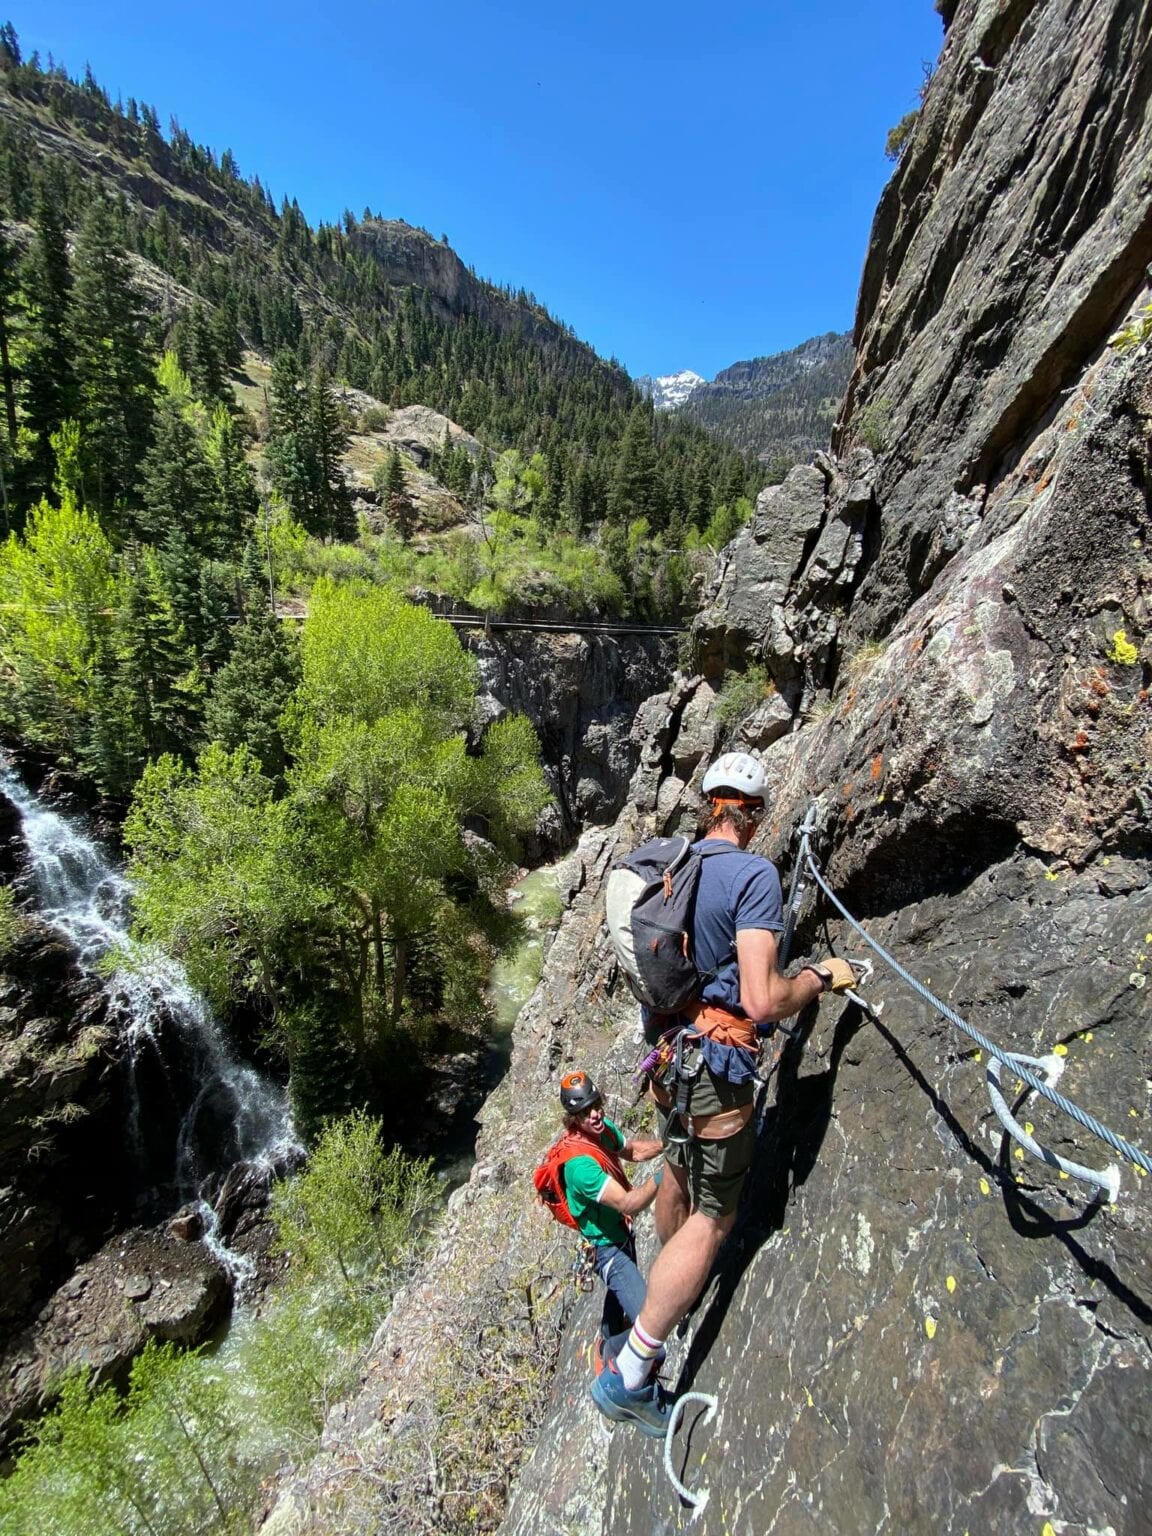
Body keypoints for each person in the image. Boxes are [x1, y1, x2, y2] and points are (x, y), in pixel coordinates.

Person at [591, 751, 861, 1436]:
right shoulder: (753, 876)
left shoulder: (675, 866)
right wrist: (821, 978)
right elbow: (764, 1000)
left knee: (678, 1170)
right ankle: (633, 1372)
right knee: (714, 1217)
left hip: (666, 1059)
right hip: (714, 1067)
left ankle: (665, 1293)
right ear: (756, 813)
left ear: (708, 803)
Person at [553, 1071, 664, 1367]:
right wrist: (666, 1174)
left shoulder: (601, 1132)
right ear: (574, 1119)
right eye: (585, 1111)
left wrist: (668, 1143)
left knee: (619, 1301)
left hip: (620, 1234)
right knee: (651, 1328)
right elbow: (629, 1202)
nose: (595, 1114)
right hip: (607, 1250)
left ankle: (608, 1337)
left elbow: (633, 1151)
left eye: (596, 1104)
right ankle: (612, 1360)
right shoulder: (579, 1167)